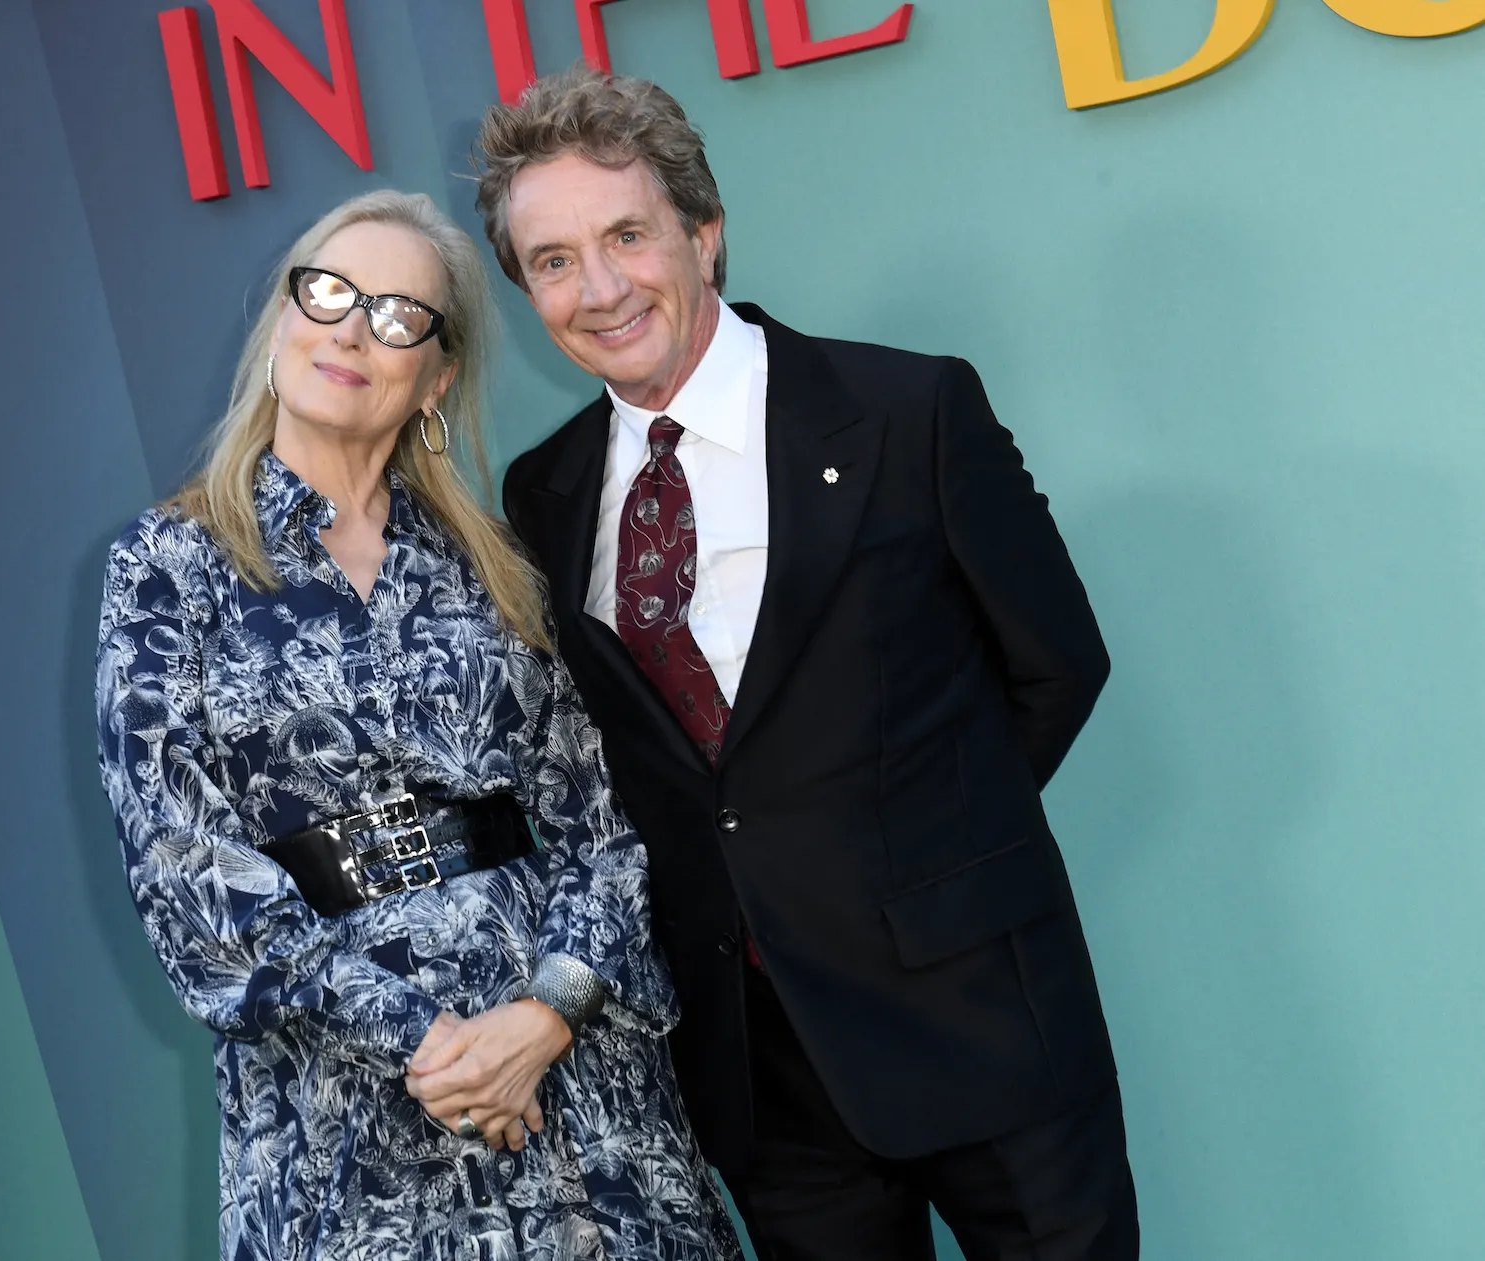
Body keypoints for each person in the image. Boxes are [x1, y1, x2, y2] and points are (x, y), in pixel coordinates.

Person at [481, 69, 1139, 1261]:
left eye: (627, 234)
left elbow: (1058, 664)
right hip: (759, 1074)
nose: (602, 288)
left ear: (704, 229)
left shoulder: (907, 409)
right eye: (554, 260)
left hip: (978, 1020)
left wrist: (911, 855)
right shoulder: (546, 490)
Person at [95, 188, 741, 1261]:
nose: (353, 326)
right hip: (350, 1111)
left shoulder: (498, 559)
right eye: (331, 292)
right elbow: (183, 871)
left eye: (398, 314)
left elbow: (609, 821)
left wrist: (544, 1016)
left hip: (576, 1086)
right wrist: (432, 1042)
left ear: (435, 376)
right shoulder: (166, 566)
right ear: (284, 321)